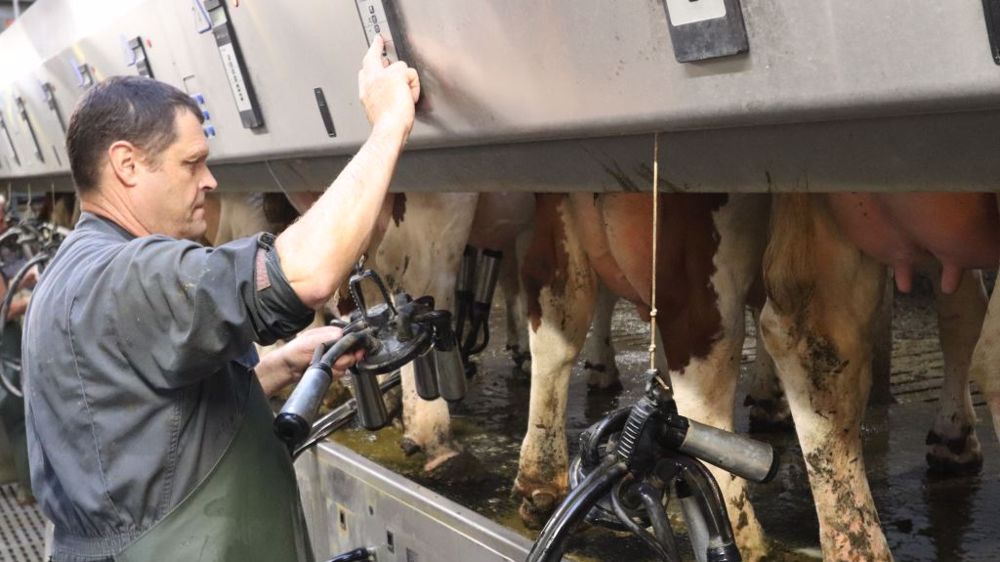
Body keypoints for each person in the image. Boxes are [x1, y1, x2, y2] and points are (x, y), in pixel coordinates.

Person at [22, 35, 419, 562]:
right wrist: (389, 123)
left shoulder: (73, 269)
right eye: (192, 163)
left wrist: (281, 362)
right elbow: (307, 275)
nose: (209, 181)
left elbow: (147, 431)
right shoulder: (130, 274)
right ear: (127, 165)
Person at [0, 194, 38, 506]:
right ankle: (31, 490)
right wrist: (34, 299)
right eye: (0, 217)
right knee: (20, 420)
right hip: (4, 346)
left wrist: (25, 277)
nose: (5, 222)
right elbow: (3, 308)